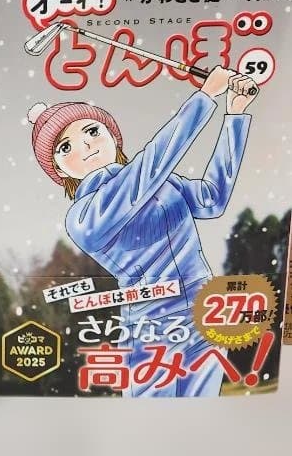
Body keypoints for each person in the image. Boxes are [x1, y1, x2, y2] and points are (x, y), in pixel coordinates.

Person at [27, 67, 258, 396]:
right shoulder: (84, 215)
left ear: (112, 136)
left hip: (205, 312)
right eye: (65, 147)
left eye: (92, 130)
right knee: (149, 418)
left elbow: (212, 199)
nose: (85, 144)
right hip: (153, 326)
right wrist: (205, 97)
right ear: (60, 170)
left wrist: (234, 115)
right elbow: (146, 170)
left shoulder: (160, 180)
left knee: (204, 412)